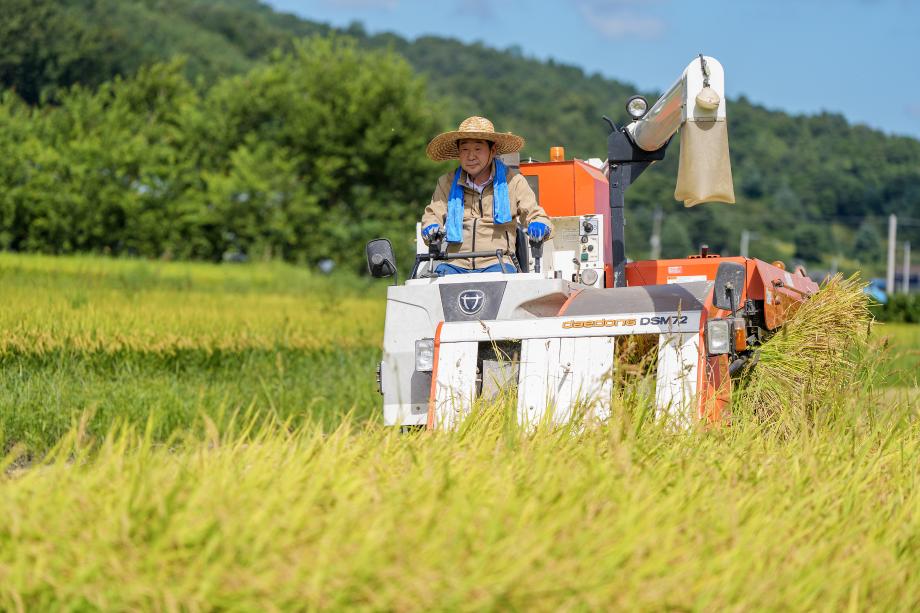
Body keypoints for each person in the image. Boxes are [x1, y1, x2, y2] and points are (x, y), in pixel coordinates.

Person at [421, 116, 554, 275]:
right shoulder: (446, 182)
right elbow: (432, 214)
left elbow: (536, 214)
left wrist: (539, 224)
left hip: (499, 262)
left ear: (493, 150)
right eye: (464, 149)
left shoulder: (513, 182)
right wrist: (430, 227)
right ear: (458, 152)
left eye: (478, 149)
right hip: (454, 263)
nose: (471, 156)